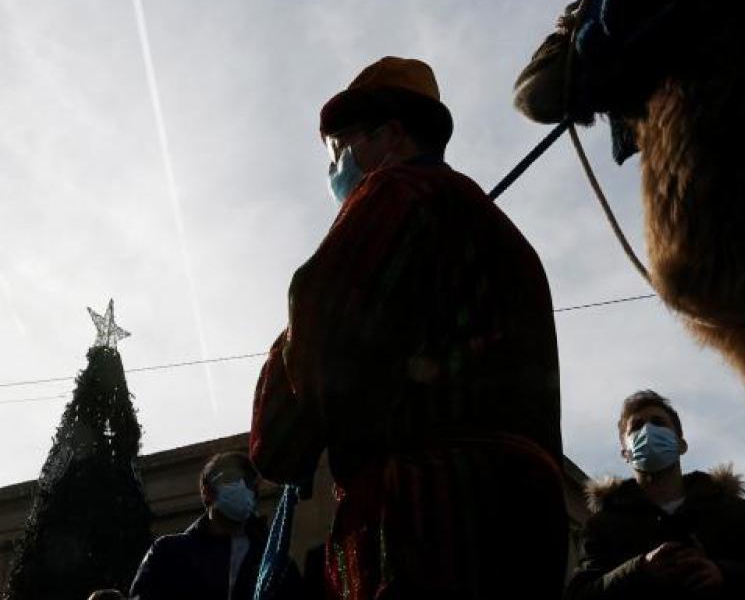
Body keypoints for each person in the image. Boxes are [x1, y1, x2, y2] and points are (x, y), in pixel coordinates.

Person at [250, 57, 566, 598]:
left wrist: (281, 429)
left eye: (338, 147)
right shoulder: (509, 243)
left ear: (390, 135)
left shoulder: (392, 193)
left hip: (420, 528)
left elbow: (319, 344)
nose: (335, 167)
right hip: (527, 533)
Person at [565, 390, 745, 598]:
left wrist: (724, 572)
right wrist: (639, 569)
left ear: (681, 444)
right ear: (625, 453)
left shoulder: (736, 512)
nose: (647, 431)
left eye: (658, 422)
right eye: (636, 427)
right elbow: (578, 598)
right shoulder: (603, 526)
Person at [129, 452, 302, 600]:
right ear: (207, 490)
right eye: (231, 479)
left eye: (248, 482)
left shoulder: (276, 563)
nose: (242, 487)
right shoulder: (168, 553)